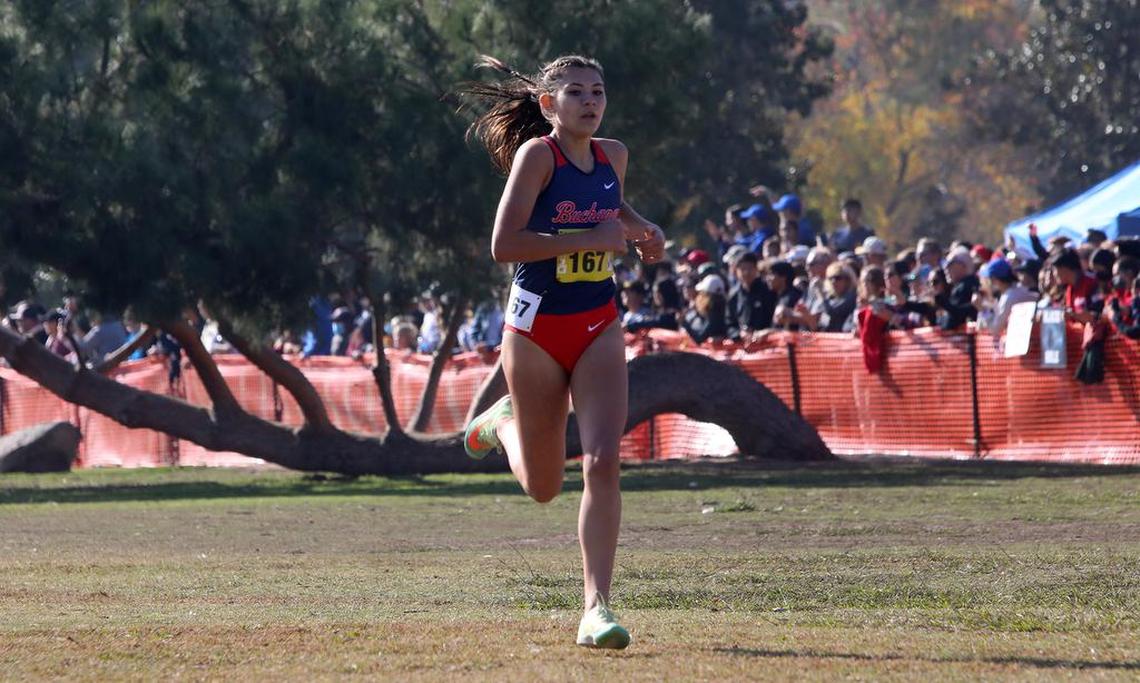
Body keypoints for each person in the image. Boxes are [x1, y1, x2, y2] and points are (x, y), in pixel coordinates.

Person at [459, 54, 664, 650]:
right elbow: (504, 245)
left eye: (598, 91)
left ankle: (596, 608)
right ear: (549, 105)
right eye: (575, 92)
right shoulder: (538, 157)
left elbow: (612, 206)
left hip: (599, 321)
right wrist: (586, 239)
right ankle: (503, 425)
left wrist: (642, 229)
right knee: (544, 486)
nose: (590, 101)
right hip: (535, 330)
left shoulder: (613, 155)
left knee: (603, 461)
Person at [975, 259, 1036, 336]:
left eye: (987, 280)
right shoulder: (1016, 291)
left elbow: (995, 329)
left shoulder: (1009, 296)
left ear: (994, 279)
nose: (985, 284)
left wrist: (982, 310)